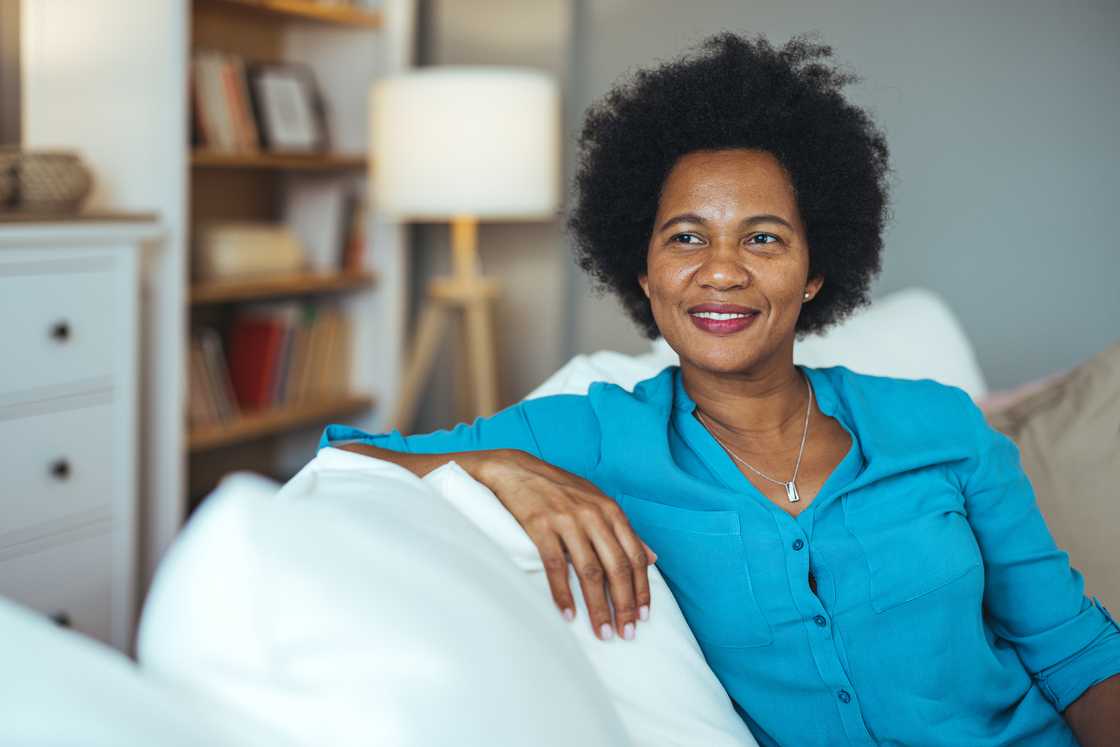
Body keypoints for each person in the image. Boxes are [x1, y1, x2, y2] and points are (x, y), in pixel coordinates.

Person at [319, 32, 1120, 747]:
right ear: (644, 272)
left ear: (814, 272)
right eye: (686, 237)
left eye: (762, 237)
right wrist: (501, 465)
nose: (722, 270)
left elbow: (1077, 654)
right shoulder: (593, 433)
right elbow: (342, 461)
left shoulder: (941, 424)